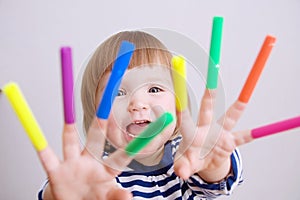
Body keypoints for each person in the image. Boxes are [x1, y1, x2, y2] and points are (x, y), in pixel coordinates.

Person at [38, 30, 244, 199]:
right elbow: (62, 188)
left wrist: (213, 165)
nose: (137, 104)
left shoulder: (186, 154)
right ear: (96, 112)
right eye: (118, 92)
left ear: (178, 102)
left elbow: (216, 185)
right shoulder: (94, 172)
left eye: (154, 89)